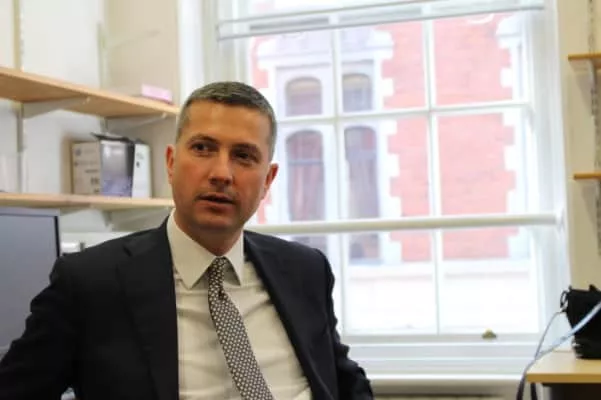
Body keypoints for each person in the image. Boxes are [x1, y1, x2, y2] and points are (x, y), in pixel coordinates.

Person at [0, 81, 374, 400]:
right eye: (203, 148)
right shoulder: (89, 283)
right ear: (171, 163)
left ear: (268, 180)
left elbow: (346, 383)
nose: (221, 173)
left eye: (244, 156)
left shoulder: (305, 270)